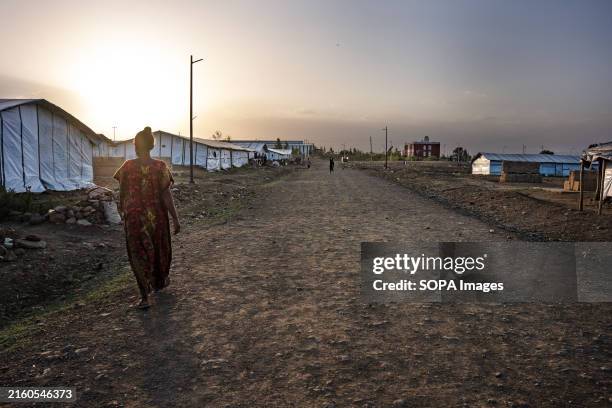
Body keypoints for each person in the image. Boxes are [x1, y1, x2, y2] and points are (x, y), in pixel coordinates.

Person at [114, 127, 180, 309]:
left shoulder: (127, 167)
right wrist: (175, 218)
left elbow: (122, 193)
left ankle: (144, 297)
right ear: (151, 145)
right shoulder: (160, 167)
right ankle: (158, 282)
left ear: (135, 145)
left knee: (138, 254)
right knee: (159, 250)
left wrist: (123, 212)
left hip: (134, 218)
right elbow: (166, 195)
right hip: (156, 219)